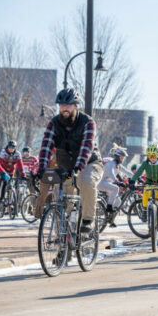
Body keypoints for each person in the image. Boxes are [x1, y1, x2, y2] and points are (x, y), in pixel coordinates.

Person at [37, 88, 103, 234]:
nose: (64, 108)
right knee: (60, 197)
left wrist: (78, 168)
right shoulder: (54, 123)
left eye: (68, 105)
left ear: (75, 106)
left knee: (85, 180)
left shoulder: (87, 122)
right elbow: (46, 146)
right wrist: (41, 168)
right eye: (61, 105)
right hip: (67, 169)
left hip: (89, 164)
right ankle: (61, 242)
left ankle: (88, 220)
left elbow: (86, 148)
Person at [98, 144, 133, 227]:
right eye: (122, 157)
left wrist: (138, 178)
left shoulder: (118, 166)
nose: (123, 159)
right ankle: (109, 207)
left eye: (123, 158)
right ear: (117, 157)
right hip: (99, 182)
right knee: (115, 188)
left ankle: (110, 219)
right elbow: (111, 173)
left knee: (118, 201)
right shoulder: (111, 163)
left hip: (106, 183)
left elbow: (128, 172)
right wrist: (117, 181)